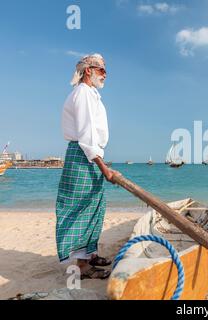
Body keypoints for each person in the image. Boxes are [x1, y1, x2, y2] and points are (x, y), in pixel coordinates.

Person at [55, 53, 120, 279]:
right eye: (101, 70)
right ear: (88, 71)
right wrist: (104, 168)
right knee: (82, 207)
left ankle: (90, 254)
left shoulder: (91, 94)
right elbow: (86, 135)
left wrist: (101, 162)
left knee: (94, 206)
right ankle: (82, 267)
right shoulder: (82, 93)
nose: (105, 74)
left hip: (89, 155)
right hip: (83, 155)